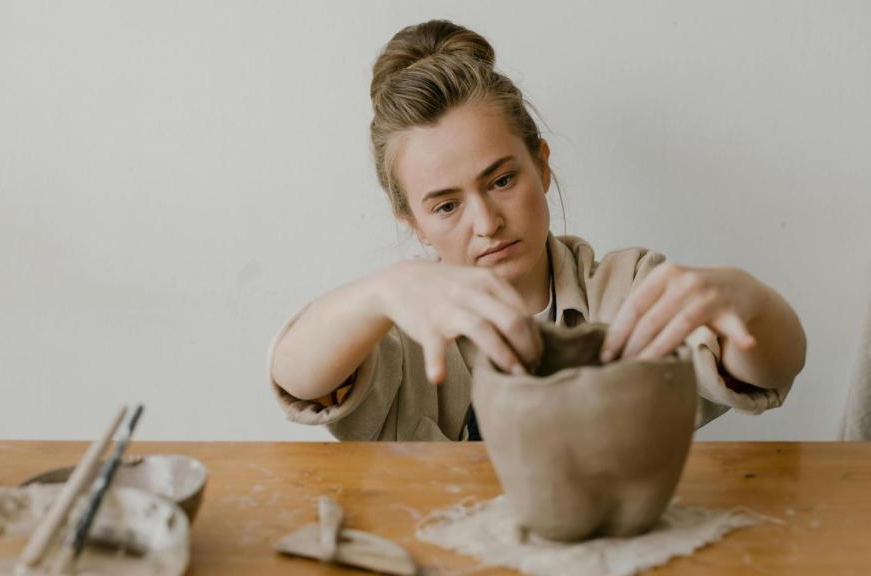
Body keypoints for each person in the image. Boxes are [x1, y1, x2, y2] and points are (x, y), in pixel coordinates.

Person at [267, 19, 806, 441]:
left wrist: (747, 301)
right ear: (413, 223)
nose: (486, 223)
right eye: (446, 206)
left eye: (501, 180)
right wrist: (379, 291)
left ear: (542, 166)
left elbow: (768, 366)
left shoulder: (629, 290)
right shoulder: (398, 335)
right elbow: (298, 380)